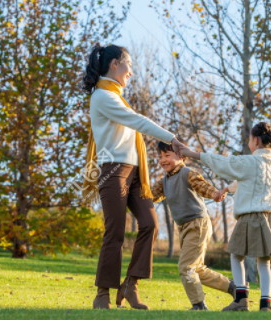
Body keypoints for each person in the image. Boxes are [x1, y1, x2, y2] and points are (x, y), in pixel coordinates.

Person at [81, 43, 184, 310]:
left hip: (136, 172)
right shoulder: (103, 97)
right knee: (114, 232)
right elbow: (136, 120)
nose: (131, 72)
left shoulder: (116, 95)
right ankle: (102, 293)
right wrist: (171, 139)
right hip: (113, 170)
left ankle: (131, 285)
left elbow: (133, 121)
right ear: (115, 63)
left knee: (150, 224)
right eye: (129, 64)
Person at [180, 122, 271, 312]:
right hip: (270, 217)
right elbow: (249, 181)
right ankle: (266, 304)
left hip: (251, 217)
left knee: (236, 255)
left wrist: (192, 154)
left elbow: (223, 164)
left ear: (255, 140)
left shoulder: (250, 162)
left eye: (250, 138)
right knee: (263, 262)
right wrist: (227, 188)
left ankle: (241, 299)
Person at [152, 141, 236, 310]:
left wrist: (214, 194)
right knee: (196, 268)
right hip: (183, 227)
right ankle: (234, 288)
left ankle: (198, 305)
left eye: (167, 155)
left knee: (186, 267)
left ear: (181, 157)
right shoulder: (164, 181)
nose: (163, 160)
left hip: (198, 224)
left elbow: (201, 185)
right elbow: (149, 196)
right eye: (160, 157)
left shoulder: (187, 173)